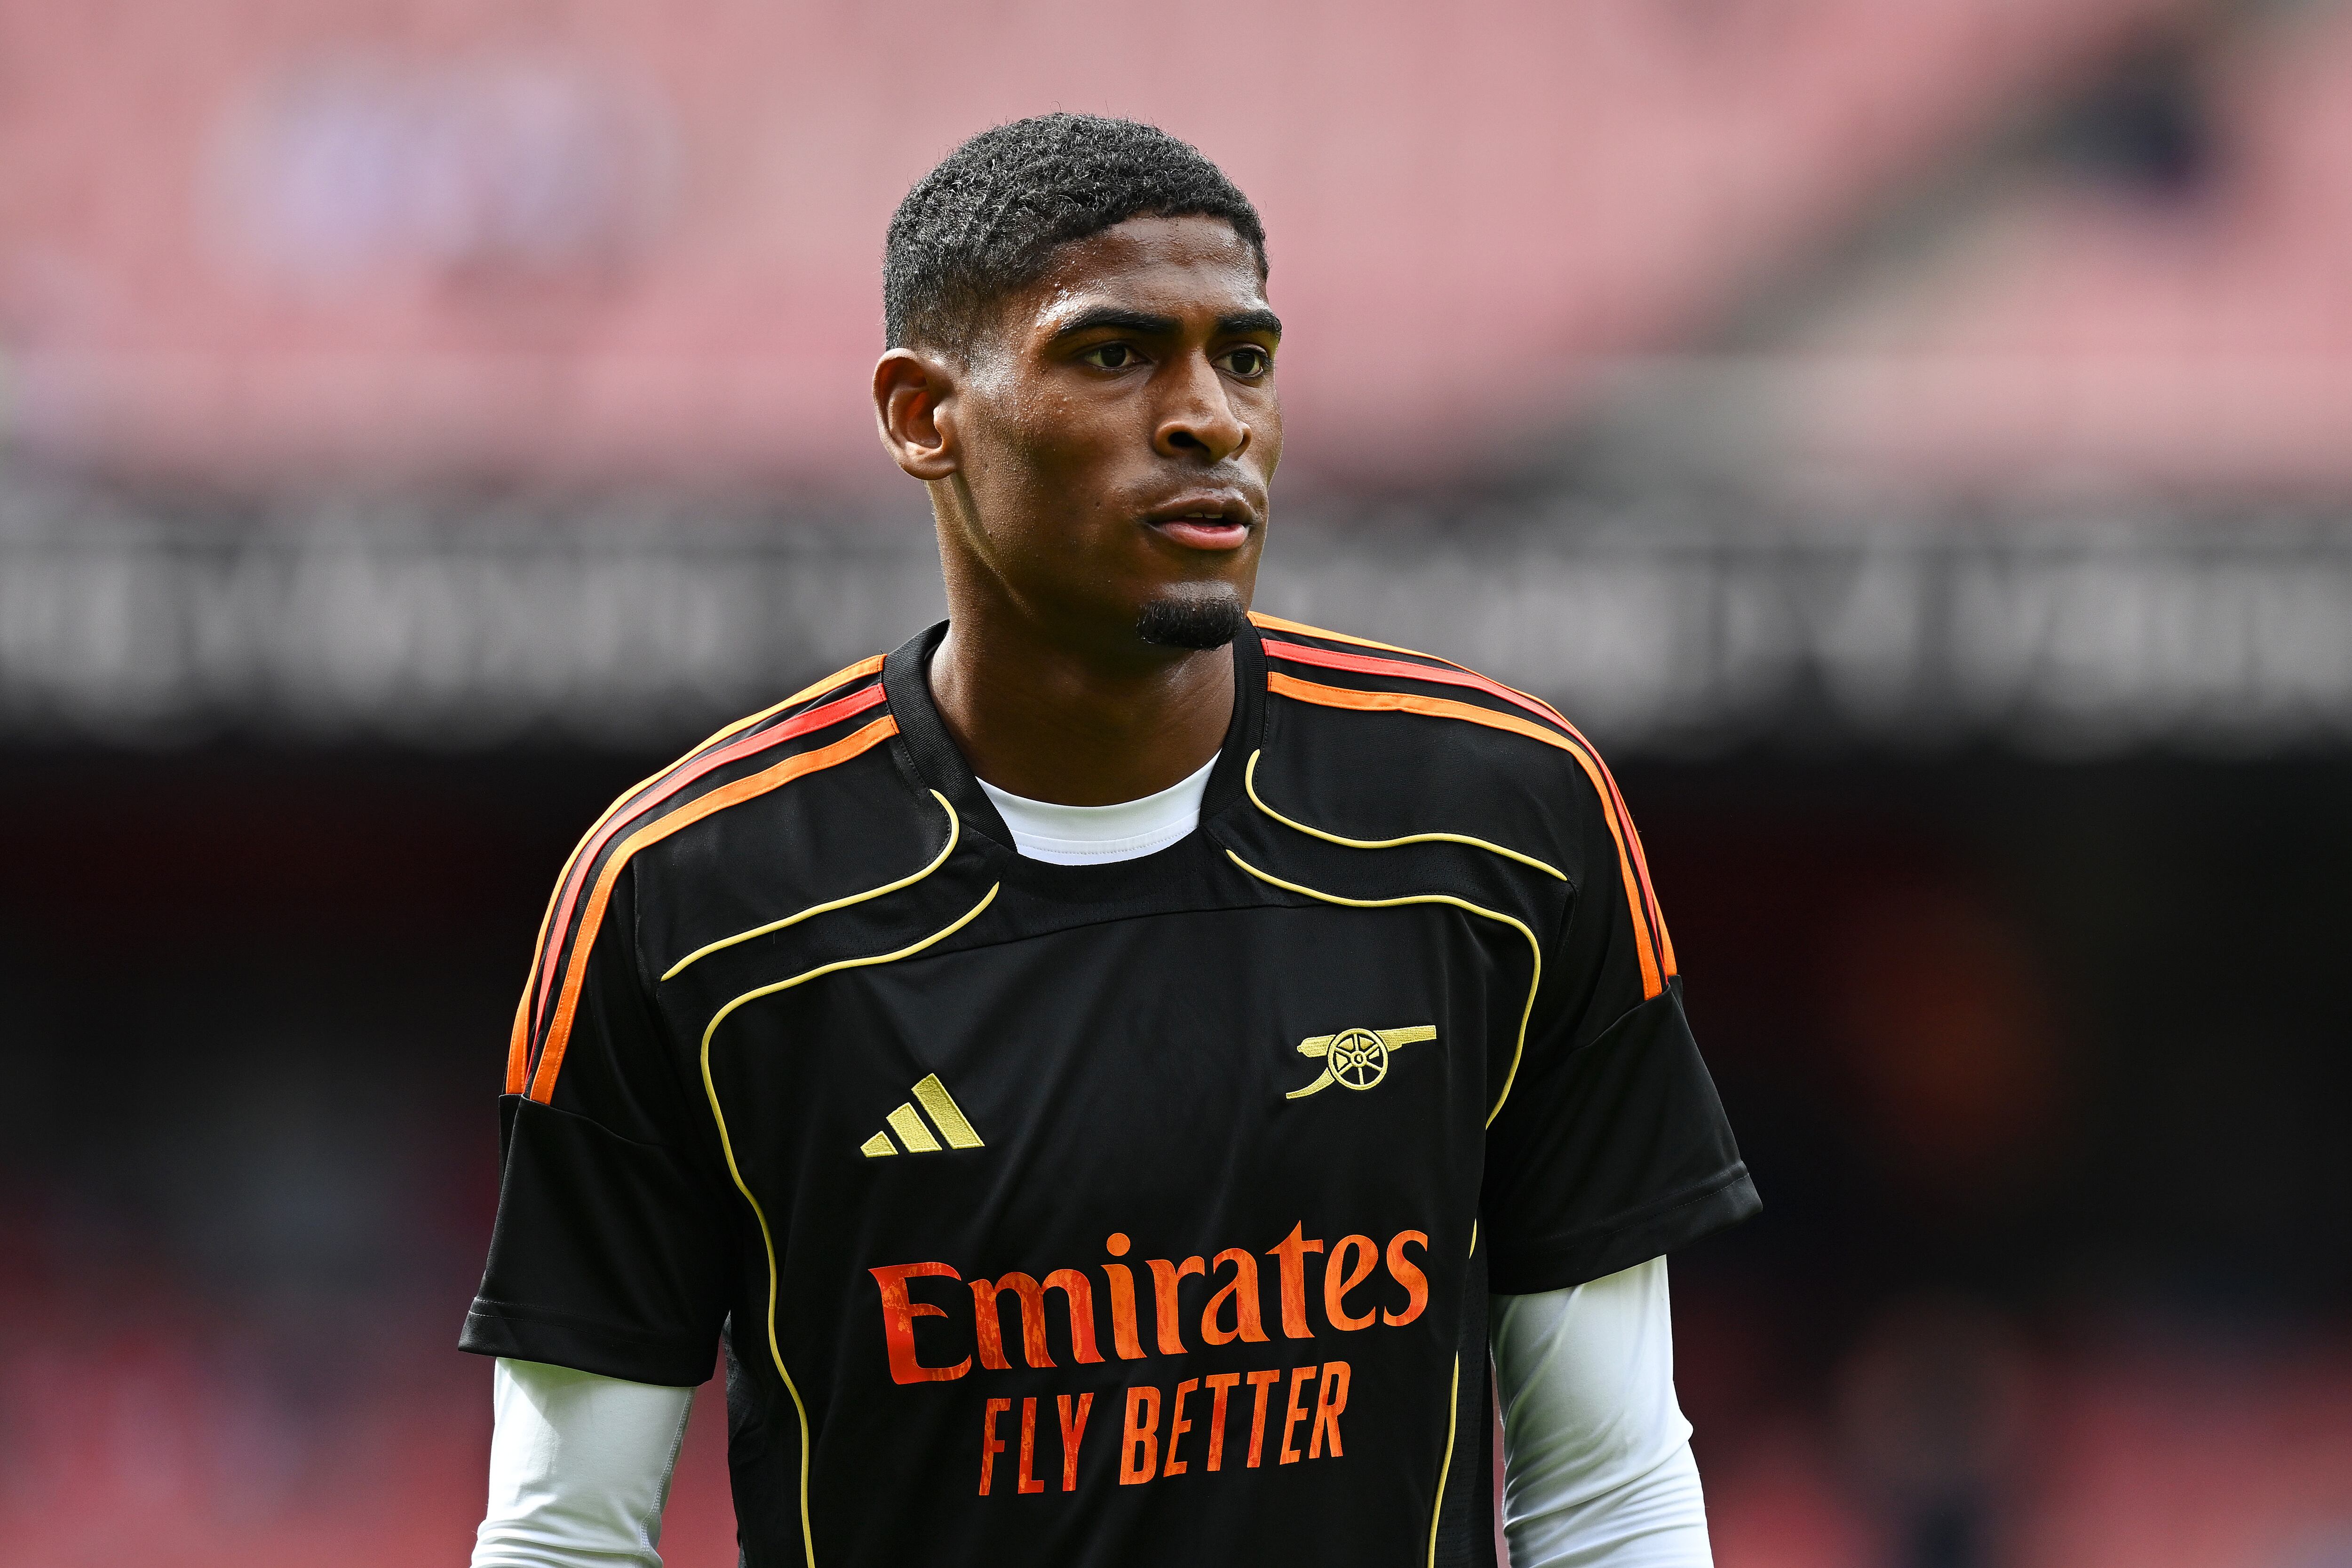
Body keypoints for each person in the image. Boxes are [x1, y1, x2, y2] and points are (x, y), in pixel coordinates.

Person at [462, 113, 1758, 1568]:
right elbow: (568, 1537)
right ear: (920, 414)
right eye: (1116, 353)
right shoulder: (687, 897)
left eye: (1245, 357)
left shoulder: (1504, 824)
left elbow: (1611, 1485)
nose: (1213, 417)